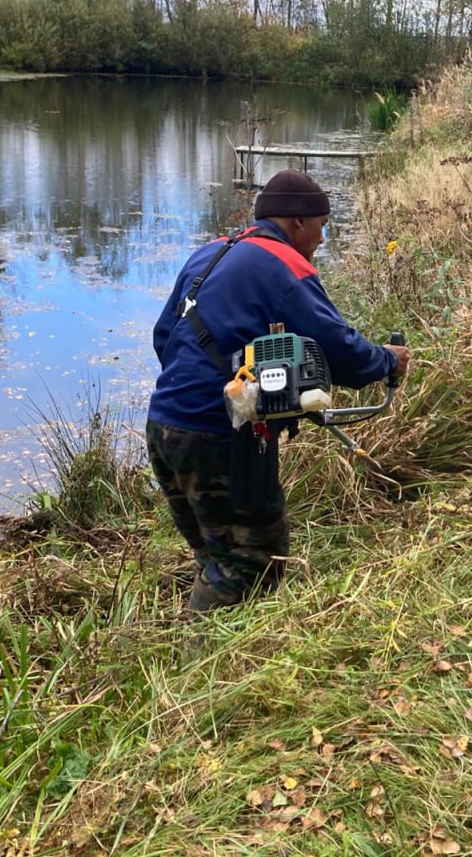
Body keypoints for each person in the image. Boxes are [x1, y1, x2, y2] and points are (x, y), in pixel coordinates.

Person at [146, 170, 410, 615]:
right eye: (321, 226)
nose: (321, 239)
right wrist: (387, 360)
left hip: (164, 427)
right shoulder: (284, 265)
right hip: (222, 437)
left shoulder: (210, 253)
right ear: (297, 221)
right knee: (249, 563)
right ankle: (204, 655)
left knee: (215, 553)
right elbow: (342, 351)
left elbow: (163, 337)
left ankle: (201, 642)